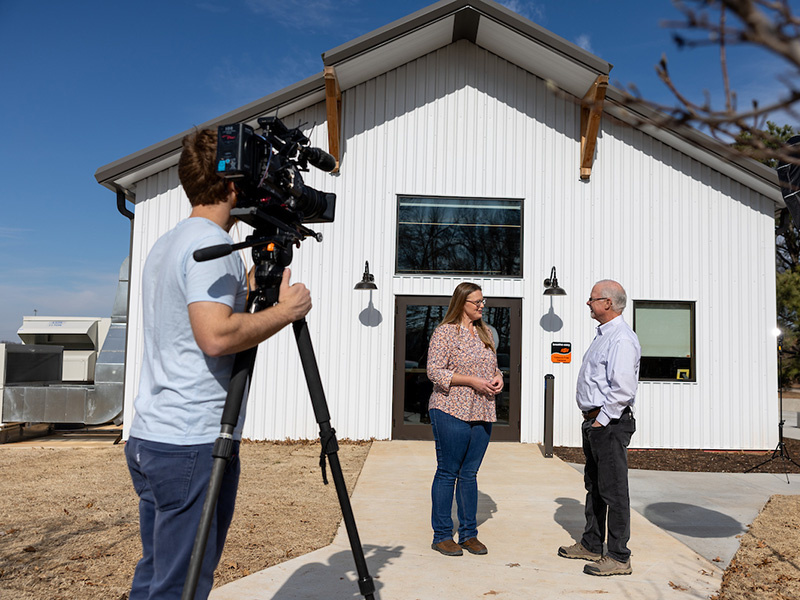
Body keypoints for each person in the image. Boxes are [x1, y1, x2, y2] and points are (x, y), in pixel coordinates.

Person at [124, 129, 312, 600]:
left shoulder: (169, 244)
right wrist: (283, 312)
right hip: (192, 441)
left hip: (152, 436)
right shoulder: (211, 247)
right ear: (233, 185)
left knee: (156, 573)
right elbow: (215, 336)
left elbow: (193, 327)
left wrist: (247, 292)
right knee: (180, 585)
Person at [558, 279, 641, 576]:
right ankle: (592, 544)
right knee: (594, 486)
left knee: (614, 490)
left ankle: (619, 557)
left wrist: (601, 421)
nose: (588, 303)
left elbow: (623, 390)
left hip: (609, 424)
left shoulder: (621, 339)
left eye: (592, 299)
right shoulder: (604, 336)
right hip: (596, 422)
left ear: (608, 303)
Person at [426, 282, 504, 556]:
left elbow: (493, 368)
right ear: (461, 304)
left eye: (483, 301)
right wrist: (471, 381)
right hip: (450, 409)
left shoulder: (486, 334)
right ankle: (442, 535)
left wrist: (498, 379)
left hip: (481, 410)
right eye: (477, 302)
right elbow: (434, 372)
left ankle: (469, 534)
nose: (482, 306)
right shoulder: (445, 333)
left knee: (469, 474)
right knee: (448, 472)